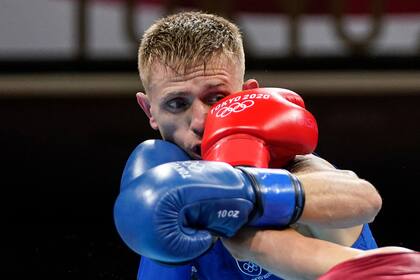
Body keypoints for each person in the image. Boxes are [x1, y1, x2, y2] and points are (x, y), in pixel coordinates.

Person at [125, 11, 385, 279]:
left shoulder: (287, 164)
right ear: (149, 111)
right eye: (177, 104)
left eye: (216, 98)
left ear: (247, 95)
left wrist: (246, 191)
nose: (201, 121)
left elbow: (364, 198)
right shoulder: (154, 186)